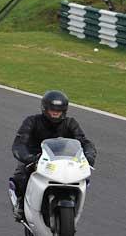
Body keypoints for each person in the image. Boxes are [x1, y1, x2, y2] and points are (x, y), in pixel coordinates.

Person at [10, 90, 97, 221]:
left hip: (63, 161)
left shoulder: (70, 123)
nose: (55, 113)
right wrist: (29, 158)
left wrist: (89, 157)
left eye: (59, 110)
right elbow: (19, 143)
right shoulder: (32, 121)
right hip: (36, 159)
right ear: (45, 109)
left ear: (64, 110)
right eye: (52, 110)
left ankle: (75, 202)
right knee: (21, 176)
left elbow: (84, 141)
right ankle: (21, 204)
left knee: (84, 178)